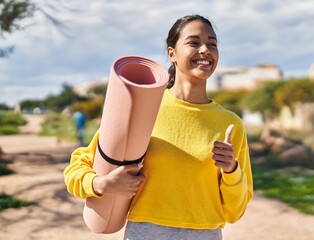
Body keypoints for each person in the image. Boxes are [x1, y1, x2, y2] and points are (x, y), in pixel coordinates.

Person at [64, 14, 253, 240]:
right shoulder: (146, 106)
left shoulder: (230, 123)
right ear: (171, 53)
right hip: (146, 233)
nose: (205, 50)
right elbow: (77, 167)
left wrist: (231, 170)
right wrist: (101, 184)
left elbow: (235, 210)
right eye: (194, 42)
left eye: (212, 44)